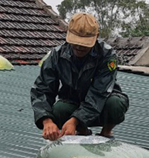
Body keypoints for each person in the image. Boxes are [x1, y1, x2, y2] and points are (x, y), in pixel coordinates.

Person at [31, 12, 129, 141]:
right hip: (73, 103)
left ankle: (106, 133)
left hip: (102, 105)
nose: (79, 46)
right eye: (76, 41)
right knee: (59, 109)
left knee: (115, 103)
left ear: (96, 37)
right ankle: (82, 132)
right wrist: (46, 120)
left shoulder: (107, 55)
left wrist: (75, 120)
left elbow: (99, 93)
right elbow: (42, 89)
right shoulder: (56, 55)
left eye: (84, 43)